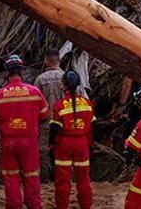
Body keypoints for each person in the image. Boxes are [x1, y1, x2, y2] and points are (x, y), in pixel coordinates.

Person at [0, 54, 50, 209]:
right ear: (21, 72)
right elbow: (44, 116)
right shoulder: (34, 92)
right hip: (29, 142)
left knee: (11, 178)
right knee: (31, 177)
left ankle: (14, 205)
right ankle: (33, 205)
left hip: (8, 143)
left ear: (6, 72)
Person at [49, 70, 94, 209]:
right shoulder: (87, 103)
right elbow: (92, 127)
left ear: (64, 85)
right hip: (82, 142)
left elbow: (55, 129)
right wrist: (90, 144)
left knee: (62, 179)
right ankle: (85, 206)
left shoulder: (59, 105)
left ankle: (62, 206)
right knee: (84, 178)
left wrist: (51, 144)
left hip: (64, 143)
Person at [34, 48, 65, 181]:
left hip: (46, 120)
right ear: (59, 60)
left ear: (46, 61)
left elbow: (35, 102)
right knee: (62, 149)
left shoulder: (40, 79)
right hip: (64, 119)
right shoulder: (67, 77)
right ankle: (63, 177)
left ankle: (45, 180)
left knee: (43, 150)